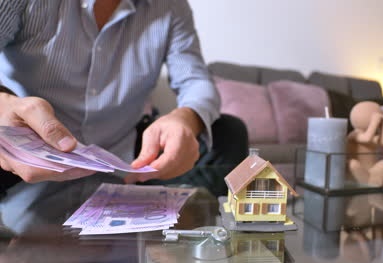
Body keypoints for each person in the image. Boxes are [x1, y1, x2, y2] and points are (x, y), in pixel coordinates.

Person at [0, 0, 247, 233]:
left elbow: (196, 79)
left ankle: (196, 233)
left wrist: (186, 117)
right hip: (24, 150)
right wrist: (4, 104)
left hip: (129, 158)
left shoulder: (171, 6)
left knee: (228, 133)